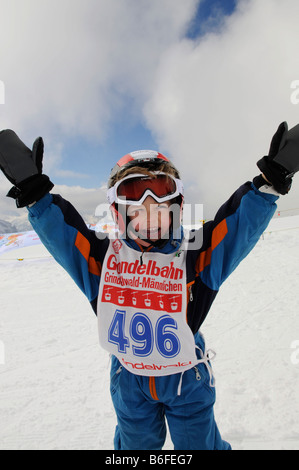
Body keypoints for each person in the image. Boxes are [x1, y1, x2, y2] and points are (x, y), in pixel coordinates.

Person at [0, 122, 298, 450]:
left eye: (160, 206)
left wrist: (270, 182)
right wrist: (35, 194)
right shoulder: (104, 261)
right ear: (118, 213)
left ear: (176, 207)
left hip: (185, 378)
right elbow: (65, 236)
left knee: (199, 445)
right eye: (137, 210)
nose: (151, 218)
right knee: (135, 447)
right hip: (129, 379)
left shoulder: (196, 256)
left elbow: (237, 228)